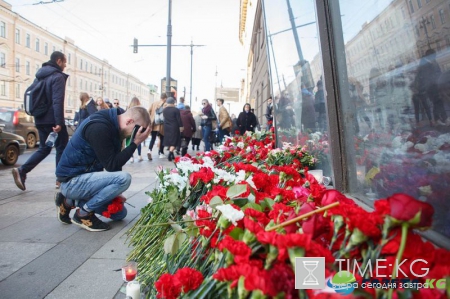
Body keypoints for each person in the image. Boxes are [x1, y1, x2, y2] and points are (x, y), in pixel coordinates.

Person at [54, 106, 151, 231]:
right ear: (129, 121)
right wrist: (135, 143)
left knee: (120, 213)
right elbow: (111, 165)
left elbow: (115, 161)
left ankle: (68, 202)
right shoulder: (99, 128)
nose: (136, 134)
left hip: (84, 179)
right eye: (137, 129)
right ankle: (83, 214)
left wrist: (116, 192)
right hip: (72, 181)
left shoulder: (115, 123)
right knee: (125, 179)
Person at [12, 51, 69, 191]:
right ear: (59, 60)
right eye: (65, 62)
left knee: (44, 148)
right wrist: (59, 122)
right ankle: (61, 180)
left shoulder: (39, 77)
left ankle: (22, 171)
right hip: (52, 120)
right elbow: (57, 101)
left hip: (40, 118)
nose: (65, 65)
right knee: (62, 147)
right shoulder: (57, 77)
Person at [147, 93, 168, 160]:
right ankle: (161, 153)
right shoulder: (165, 104)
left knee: (153, 138)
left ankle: (149, 150)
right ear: (165, 98)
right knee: (162, 138)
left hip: (154, 123)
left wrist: (151, 117)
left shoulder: (154, 103)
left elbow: (148, 111)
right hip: (161, 124)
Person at [127, 97, 143, 162]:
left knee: (130, 142)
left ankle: (131, 157)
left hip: (130, 127)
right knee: (138, 141)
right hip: (138, 126)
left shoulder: (129, 109)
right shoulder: (140, 109)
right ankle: (139, 155)